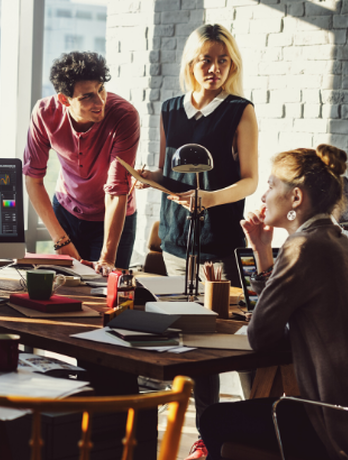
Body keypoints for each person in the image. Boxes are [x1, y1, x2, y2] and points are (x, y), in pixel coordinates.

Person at [138, 24, 259, 459]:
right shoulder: (170, 109)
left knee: (215, 340)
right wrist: (149, 179)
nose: (215, 68)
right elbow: (171, 175)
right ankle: (203, 438)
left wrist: (208, 198)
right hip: (174, 238)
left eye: (223, 60)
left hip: (219, 238)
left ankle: (227, 436)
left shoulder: (239, 110)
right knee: (186, 341)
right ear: (191, 62)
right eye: (206, 59)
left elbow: (249, 181)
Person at [200, 144, 348, 460]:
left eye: (270, 185)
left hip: (328, 421)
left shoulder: (302, 248)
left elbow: (260, 336)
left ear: (296, 198)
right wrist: (263, 253)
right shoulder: (335, 240)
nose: (263, 196)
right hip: (339, 408)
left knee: (212, 418)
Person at [23, 51, 140, 275]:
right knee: (64, 289)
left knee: (108, 293)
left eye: (101, 89)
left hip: (112, 216)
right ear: (64, 99)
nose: (100, 101)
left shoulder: (125, 116)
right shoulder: (44, 113)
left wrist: (106, 258)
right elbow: (33, 180)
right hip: (66, 210)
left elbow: (116, 190)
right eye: (87, 96)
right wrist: (59, 240)